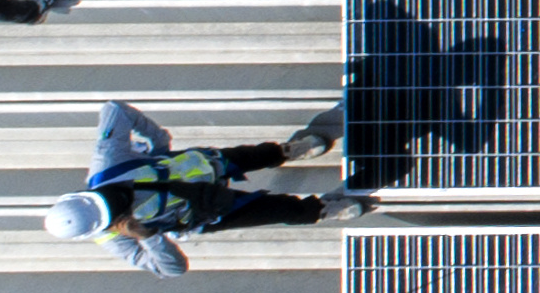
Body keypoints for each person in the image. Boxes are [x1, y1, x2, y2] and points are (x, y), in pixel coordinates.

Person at [45, 99, 353, 274]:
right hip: (209, 211)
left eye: (105, 198)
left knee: (257, 154)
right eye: (112, 210)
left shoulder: (107, 165)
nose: (116, 198)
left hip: (204, 167)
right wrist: (150, 237)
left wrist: (157, 139)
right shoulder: (112, 238)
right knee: (278, 210)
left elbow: (114, 109)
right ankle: (323, 209)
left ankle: (289, 151)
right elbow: (172, 269)